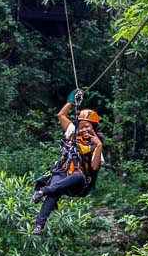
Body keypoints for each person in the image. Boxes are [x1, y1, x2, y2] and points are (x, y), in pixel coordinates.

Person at [31, 89, 104, 235]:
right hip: (63, 173)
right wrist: (71, 101)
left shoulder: (96, 145)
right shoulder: (72, 132)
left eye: (87, 126)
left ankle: (43, 191)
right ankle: (39, 225)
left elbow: (95, 167)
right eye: (82, 126)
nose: (84, 129)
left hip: (79, 184)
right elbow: (61, 115)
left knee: (78, 176)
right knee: (55, 189)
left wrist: (99, 146)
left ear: (94, 128)